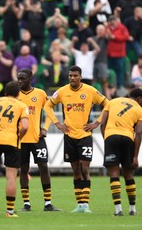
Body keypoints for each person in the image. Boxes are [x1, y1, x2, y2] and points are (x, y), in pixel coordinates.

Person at [44, 65, 109, 213]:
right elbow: (47, 106)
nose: (72, 78)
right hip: (69, 136)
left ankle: (85, 204)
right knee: (75, 170)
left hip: (85, 135)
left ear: (80, 76)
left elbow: (108, 104)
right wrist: (57, 123)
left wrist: (97, 122)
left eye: (75, 75)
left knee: (85, 168)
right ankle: (79, 204)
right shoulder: (62, 91)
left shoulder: (90, 91)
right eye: (70, 75)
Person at [0, 81, 29, 217]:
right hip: (12, 143)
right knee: (11, 177)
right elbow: (25, 126)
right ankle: (9, 211)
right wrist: (19, 136)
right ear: (18, 93)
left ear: (5, 92)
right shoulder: (21, 105)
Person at [17, 69, 60, 212]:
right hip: (20, 140)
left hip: (37, 138)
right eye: (18, 78)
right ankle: (26, 204)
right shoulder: (15, 95)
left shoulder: (40, 94)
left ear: (30, 78)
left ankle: (48, 203)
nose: (20, 81)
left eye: (23, 78)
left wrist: (45, 128)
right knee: (23, 170)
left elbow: (49, 111)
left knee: (44, 167)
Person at [100, 88, 142, 216]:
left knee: (114, 174)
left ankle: (118, 210)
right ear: (138, 98)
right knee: (129, 175)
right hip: (127, 139)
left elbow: (102, 124)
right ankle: (132, 209)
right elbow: (138, 133)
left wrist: (107, 139)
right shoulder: (141, 111)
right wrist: (135, 157)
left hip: (111, 137)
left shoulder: (112, 102)